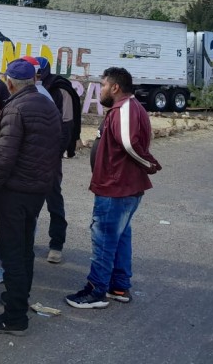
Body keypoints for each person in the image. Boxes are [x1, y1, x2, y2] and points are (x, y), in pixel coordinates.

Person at [65, 67, 160, 309]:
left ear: (115, 87)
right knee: (119, 237)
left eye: (104, 85)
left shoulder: (126, 108)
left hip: (116, 188)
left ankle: (95, 291)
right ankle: (119, 286)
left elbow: (129, 144)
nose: (101, 90)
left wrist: (148, 163)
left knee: (104, 239)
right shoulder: (124, 108)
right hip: (121, 187)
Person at [0, 59, 61, 336]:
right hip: (37, 190)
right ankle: (19, 297)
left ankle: (14, 317)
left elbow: (4, 155)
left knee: (12, 251)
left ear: (10, 82)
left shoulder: (15, 108)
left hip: (14, 191)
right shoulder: (48, 105)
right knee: (25, 246)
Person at [37, 55, 82, 264]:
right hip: (30, 155)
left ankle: (56, 244)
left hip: (50, 156)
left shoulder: (60, 89)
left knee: (53, 199)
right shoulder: (26, 88)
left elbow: (67, 126)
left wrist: (54, 154)